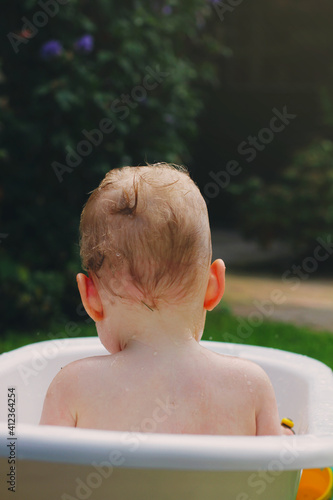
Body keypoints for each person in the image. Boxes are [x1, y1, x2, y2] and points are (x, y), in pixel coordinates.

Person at [40, 163, 293, 436]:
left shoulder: (73, 387)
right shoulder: (251, 386)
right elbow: (280, 471)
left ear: (91, 298)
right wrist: (287, 436)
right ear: (215, 285)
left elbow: (38, 472)